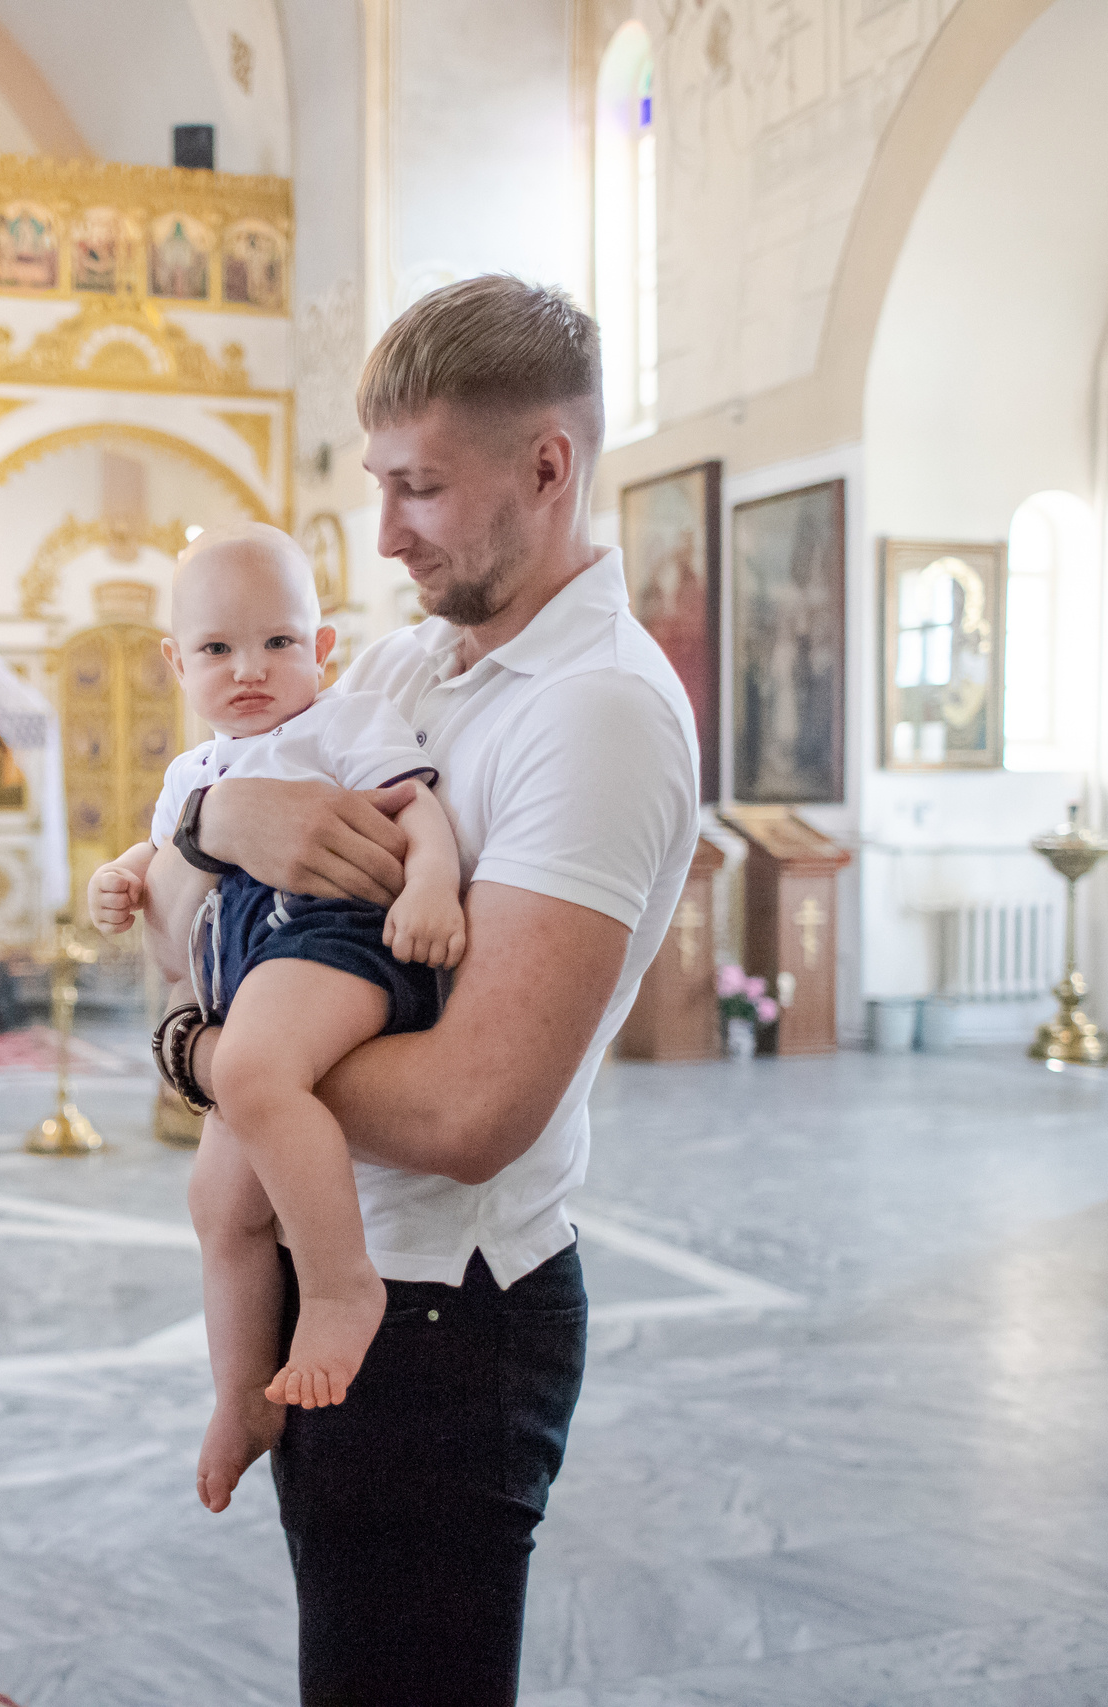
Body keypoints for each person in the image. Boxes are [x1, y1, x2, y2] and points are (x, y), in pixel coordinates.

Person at [141, 276, 699, 1707]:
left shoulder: (602, 713)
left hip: (445, 1324)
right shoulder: (398, 658)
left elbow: (467, 1109)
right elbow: (201, 850)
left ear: (548, 468)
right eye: (378, 484)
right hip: (341, 1276)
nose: (385, 533)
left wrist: (205, 1053)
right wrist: (218, 830)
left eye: (423, 488)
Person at [87, 524, 466, 1514]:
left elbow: (417, 813)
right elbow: (168, 857)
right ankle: (240, 1399)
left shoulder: (345, 724)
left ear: (321, 647)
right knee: (217, 1204)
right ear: (176, 661)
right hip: (252, 967)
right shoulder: (191, 773)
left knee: (251, 1074)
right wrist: (124, 876)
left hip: (335, 941)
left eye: (277, 644)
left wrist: (430, 888)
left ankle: (343, 1287)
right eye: (216, 649)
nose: (248, 670)